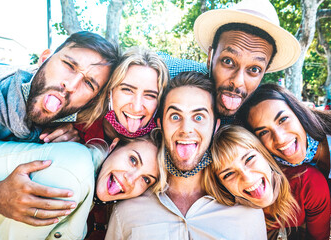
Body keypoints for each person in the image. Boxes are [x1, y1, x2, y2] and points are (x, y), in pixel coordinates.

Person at [105, 71, 267, 239]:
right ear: (161, 125)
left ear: (215, 126)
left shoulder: (248, 212)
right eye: (175, 116)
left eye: (199, 117)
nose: (186, 129)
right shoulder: (126, 210)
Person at [0, 31, 119, 239]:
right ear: (44, 58)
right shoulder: (2, 91)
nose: (70, 86)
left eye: (89, 84)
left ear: (90, 102)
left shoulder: (63, 129)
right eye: (69, 66)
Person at [238, 83, 331, 239]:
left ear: (300, 114)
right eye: (264, 132)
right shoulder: (307, 169)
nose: (280, 138)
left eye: (282, 119)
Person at [159, 0, 300, 121]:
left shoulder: (261, 118)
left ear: (265, 72)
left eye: (254, 69)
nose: (238, 81)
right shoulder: (168, 73)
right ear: (210, 57)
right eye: (228, 61)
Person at [205, 125, 331, 239]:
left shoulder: (308, 182)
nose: (247, 178)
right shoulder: (223, 214)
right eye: (228, 174)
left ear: (265, 155)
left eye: (249, 159)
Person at [75, 46, 169, 143]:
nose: (136, 108)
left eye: (150, 95)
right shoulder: (80, 126)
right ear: (109, 92)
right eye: (127, 90)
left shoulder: (164, 139)